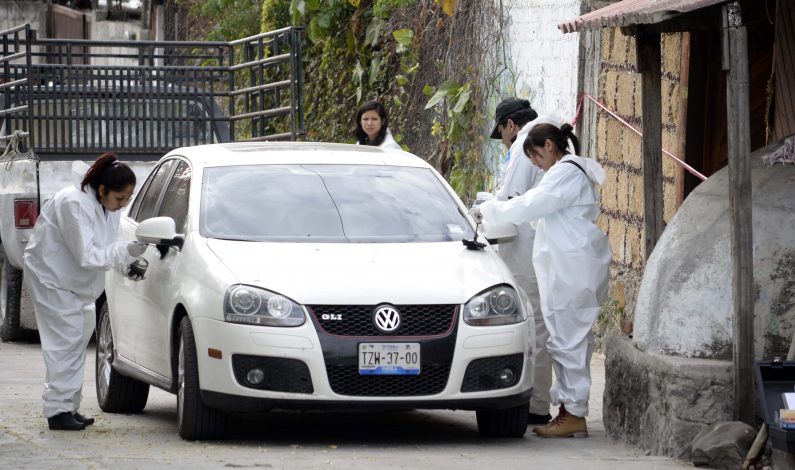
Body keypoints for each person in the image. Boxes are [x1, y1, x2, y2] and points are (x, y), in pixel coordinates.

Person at [471, 123, 611, 438]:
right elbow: (536, 207)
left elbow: (531, 205)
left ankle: (573, 413)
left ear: (549, 145)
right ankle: (569, 412)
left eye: (535, 156)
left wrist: (492, 210)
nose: (535, 163)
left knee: (569, 341)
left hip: (572, 268)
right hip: (570, 266)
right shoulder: (565, 173)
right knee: (566, 339)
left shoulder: (565, 173)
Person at [23, 153, 148, 431]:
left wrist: (128, 266)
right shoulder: (74, 203)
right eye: (120, 198)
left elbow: (110, 245)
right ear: (102, 189)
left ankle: (68, 406)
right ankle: (57, 412)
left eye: (127, 199)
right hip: (52, 279)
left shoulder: (106, 207)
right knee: (64, 344)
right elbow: (88, 255)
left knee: (77, 340)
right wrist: (125, 252)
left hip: (76, 283)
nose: (123, 205)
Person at [487, 97, 560, 425]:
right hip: (542, 249)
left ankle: (537, 404)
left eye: (501, 132)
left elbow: (509, 200)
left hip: (527, 250)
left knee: (534, 325)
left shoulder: (522, 147)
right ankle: (539, 401)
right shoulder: (547, 136)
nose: (503, 139)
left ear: (510, 125)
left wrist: (485, 210)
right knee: (543, 325)